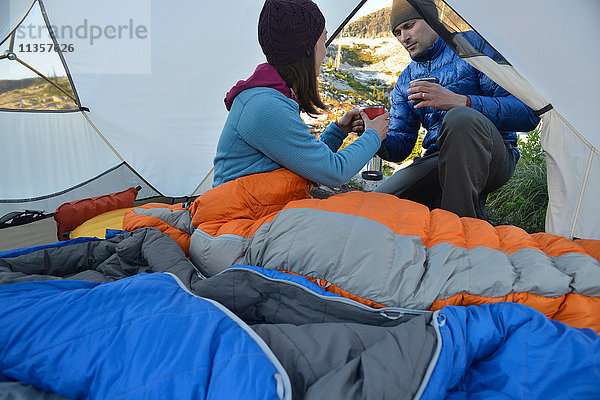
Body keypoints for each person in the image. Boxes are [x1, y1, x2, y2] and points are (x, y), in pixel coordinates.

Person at [374, 0, 540, 219]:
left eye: (409, 25)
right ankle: (445, 210)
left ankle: (461, 226)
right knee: (378, 202)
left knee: (460, 117)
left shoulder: (471, 45)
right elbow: (401, 147)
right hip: (437, 158)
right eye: (397, 32)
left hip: (493, 155)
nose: (404, 37)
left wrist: (461, 101)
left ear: (432, 19)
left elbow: (527, 113)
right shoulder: (406, 80)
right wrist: (374, 135)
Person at [212, 0, 389, 189]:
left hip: (256, 208)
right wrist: (373, 135)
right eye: (323, 41)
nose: (325, 50)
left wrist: (338, 130)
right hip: (239, 215)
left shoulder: (270, 96)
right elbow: (335, 172)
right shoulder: (265, 106)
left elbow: (309, 166)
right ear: (306, 50)